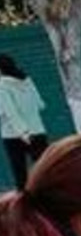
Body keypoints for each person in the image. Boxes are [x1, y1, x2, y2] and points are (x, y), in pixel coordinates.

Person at [0, 55, 49, 192]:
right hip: (38, 130)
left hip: (14, 134)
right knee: (47, 169)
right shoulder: (27, 80)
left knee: (20, 173)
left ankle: (25, 207)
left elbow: (11, 112)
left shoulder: (1, 85)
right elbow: (40, 104)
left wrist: (23, 132)